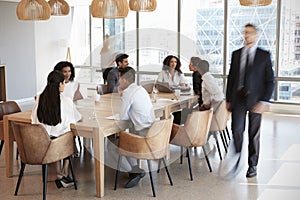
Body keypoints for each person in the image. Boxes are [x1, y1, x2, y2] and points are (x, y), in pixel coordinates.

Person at [226, 23, 274, 178]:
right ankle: (237, 157)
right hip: (238, 97)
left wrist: (264, 101)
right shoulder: (236, 54)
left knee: (254, 135)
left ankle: (252, 165)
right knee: (237, 130)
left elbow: (270, 80)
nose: (246, 35)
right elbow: (231, 78)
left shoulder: (264, 55)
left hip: (256, 99)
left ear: (256, 35)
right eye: (245, 32)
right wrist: (228, 99)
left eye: (249, 32)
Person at [31, 70, 82, 188]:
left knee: (56, 136)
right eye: (63, 83)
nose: (64, 85)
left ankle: (59, 174)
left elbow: (33, 120)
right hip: (58, 146)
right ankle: (64, 173)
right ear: (59, 84)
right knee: (69, 136)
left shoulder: (39, 98)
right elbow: (74, 119)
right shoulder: (65, 101)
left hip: (40, 143)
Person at [117, 66, 155, 188]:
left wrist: (122, 96)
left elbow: (123, 116)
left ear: (124, 80)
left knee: (111, 144)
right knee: (122, 138)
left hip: (144, 136)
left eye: (120, 78)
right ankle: (135, 169)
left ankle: (134, 171)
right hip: (153, 133)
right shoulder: (140, 89)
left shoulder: (128, 92)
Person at [172, 56, 203, 125]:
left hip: (200, 111)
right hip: (204, 110)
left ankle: (174, 133)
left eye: (190, 64)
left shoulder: (196, 74)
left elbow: (197, 92)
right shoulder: (202, 74)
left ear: (195, 66)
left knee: (175, 115)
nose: (189, 65)